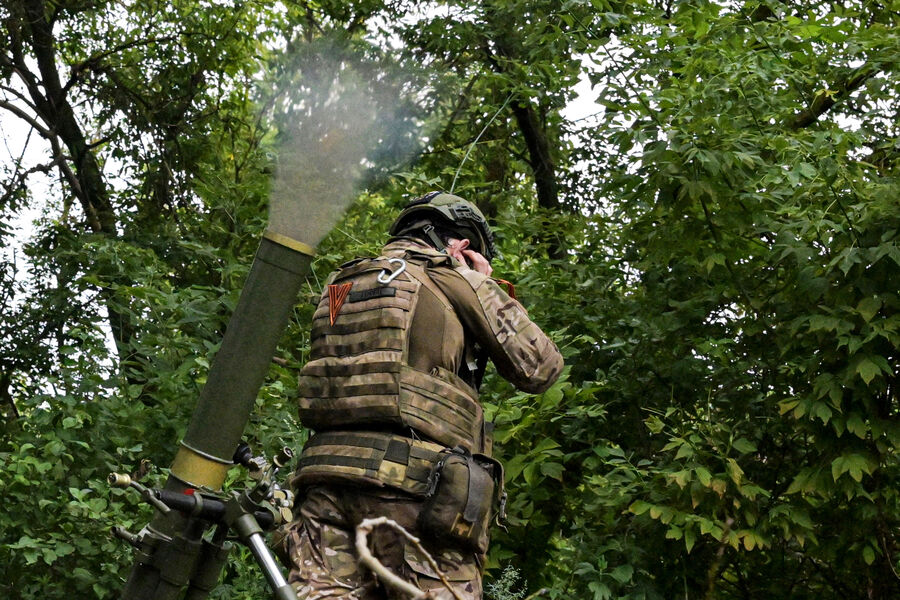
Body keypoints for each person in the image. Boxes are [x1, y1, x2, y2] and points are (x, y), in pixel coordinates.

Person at [279, 191, 564, 599]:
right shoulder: (453, 276)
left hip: (324, 487)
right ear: (461, 246)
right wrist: (482, 281)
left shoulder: (341, 283)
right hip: (412, 490)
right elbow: (541, 367)